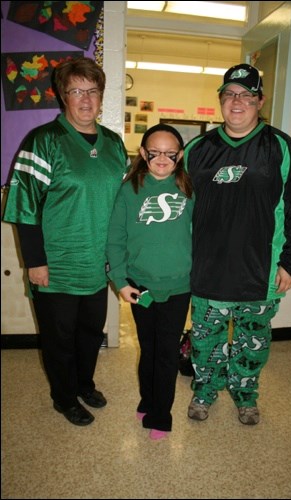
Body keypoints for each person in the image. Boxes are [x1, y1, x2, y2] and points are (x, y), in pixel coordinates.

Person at [184, 63, 291, 425]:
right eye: (230, 94)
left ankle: (246, 394)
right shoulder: (197, 150)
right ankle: (205, 390)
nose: (237, 101)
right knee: (205, 341)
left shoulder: (280, 147)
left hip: (260, 273)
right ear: (220, 100)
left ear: (260, 101)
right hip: (207, 271)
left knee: (251, 345)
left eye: (246, 94)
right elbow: (179, 210)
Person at [2, 57, 129, 426]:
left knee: (91, 333)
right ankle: (63, 397)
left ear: (102, 96)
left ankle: (84, 384)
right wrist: (35, 262)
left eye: (92, 91)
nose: (86, 99)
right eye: (76, 91)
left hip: (96, 262)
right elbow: (26, 207)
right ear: (62, 96)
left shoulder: (114, 145)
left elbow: (122, 205)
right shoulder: (43, 141)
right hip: (56, 264)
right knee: (59, 340)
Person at [106, 124, 193, 440]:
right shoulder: (129, 190)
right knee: (149, 348)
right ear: (143, 153)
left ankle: (161, 416)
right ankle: (148, 398)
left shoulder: (189, 189)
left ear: (179, 155)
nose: (161, 158)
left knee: (166, 353)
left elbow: (202, 236)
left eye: (170, 153)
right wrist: (119, 280)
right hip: (139, 286)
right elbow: (115, 238)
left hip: (179, 287)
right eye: (154, 152)